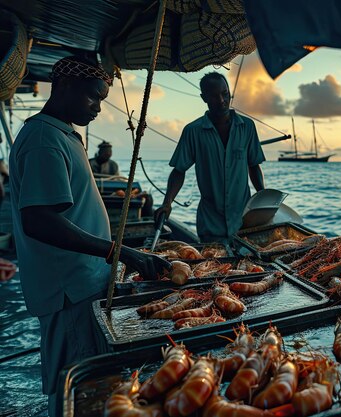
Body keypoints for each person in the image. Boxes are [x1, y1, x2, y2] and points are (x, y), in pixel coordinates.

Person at [8, 55, 171, 417]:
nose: (98, 108)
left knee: (89, 381)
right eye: (93, 98)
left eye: (101, 99)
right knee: (78, 389)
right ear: (64, 87)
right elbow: (39, 220)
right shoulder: (44, 140)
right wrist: (121, 252)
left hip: (83, 285)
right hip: (69, 291)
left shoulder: (63, 135)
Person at [154, 72, 265, 242]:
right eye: (214, 96)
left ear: (229, 93)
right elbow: (179, 170)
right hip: (210, 225)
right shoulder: (193, 131)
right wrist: (167, 202)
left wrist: (263, 200)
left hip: (244, 223)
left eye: (224, 93)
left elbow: (254, 165)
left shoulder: (247, 127)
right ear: (203, 98)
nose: (221, 100)